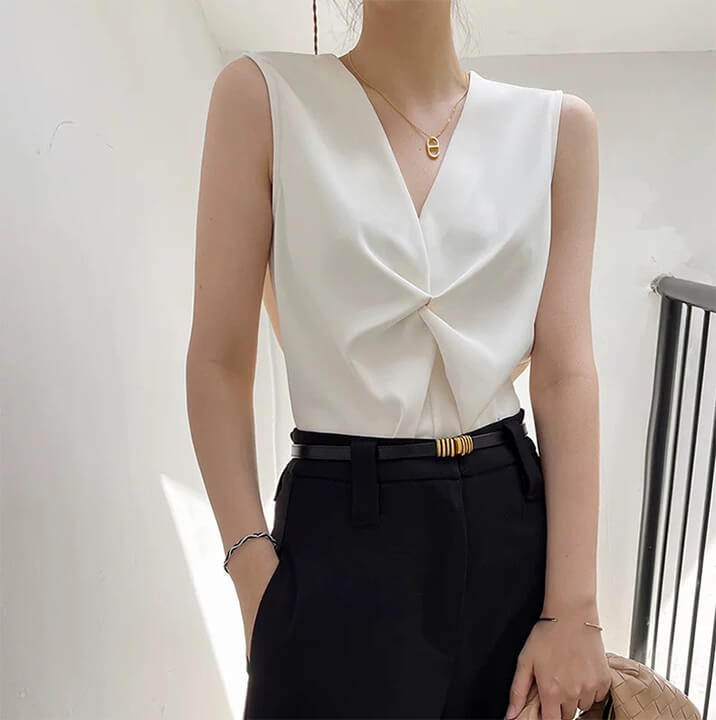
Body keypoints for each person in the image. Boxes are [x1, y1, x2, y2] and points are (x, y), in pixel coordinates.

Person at [186, 1, 611, 718]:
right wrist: (251, 569)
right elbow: (219, 361)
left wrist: (574, 609)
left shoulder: (559, 129)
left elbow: (566, 371)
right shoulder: (262, 98)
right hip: (336, 529)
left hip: (507, 523)